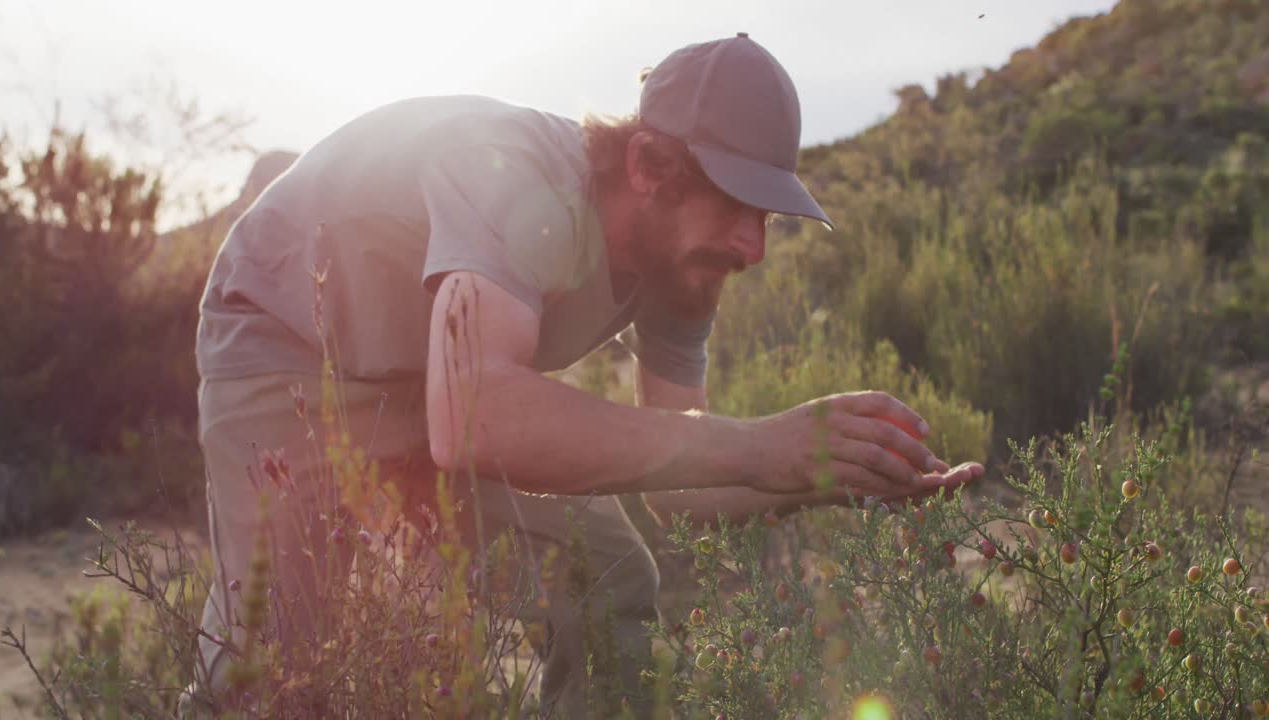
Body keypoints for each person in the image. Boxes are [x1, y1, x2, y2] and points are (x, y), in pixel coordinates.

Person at [182, 32, 984, 718]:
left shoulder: (683, 267)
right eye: (738, 204)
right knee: (271, 670)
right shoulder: (516, 172)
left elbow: (681, 485)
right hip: (284, 344)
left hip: (432, 387)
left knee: (609, 572)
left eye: (767, 215)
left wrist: (827, 466)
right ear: (646, 165)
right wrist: (757, 447)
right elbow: (476, 417)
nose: (754, 247)